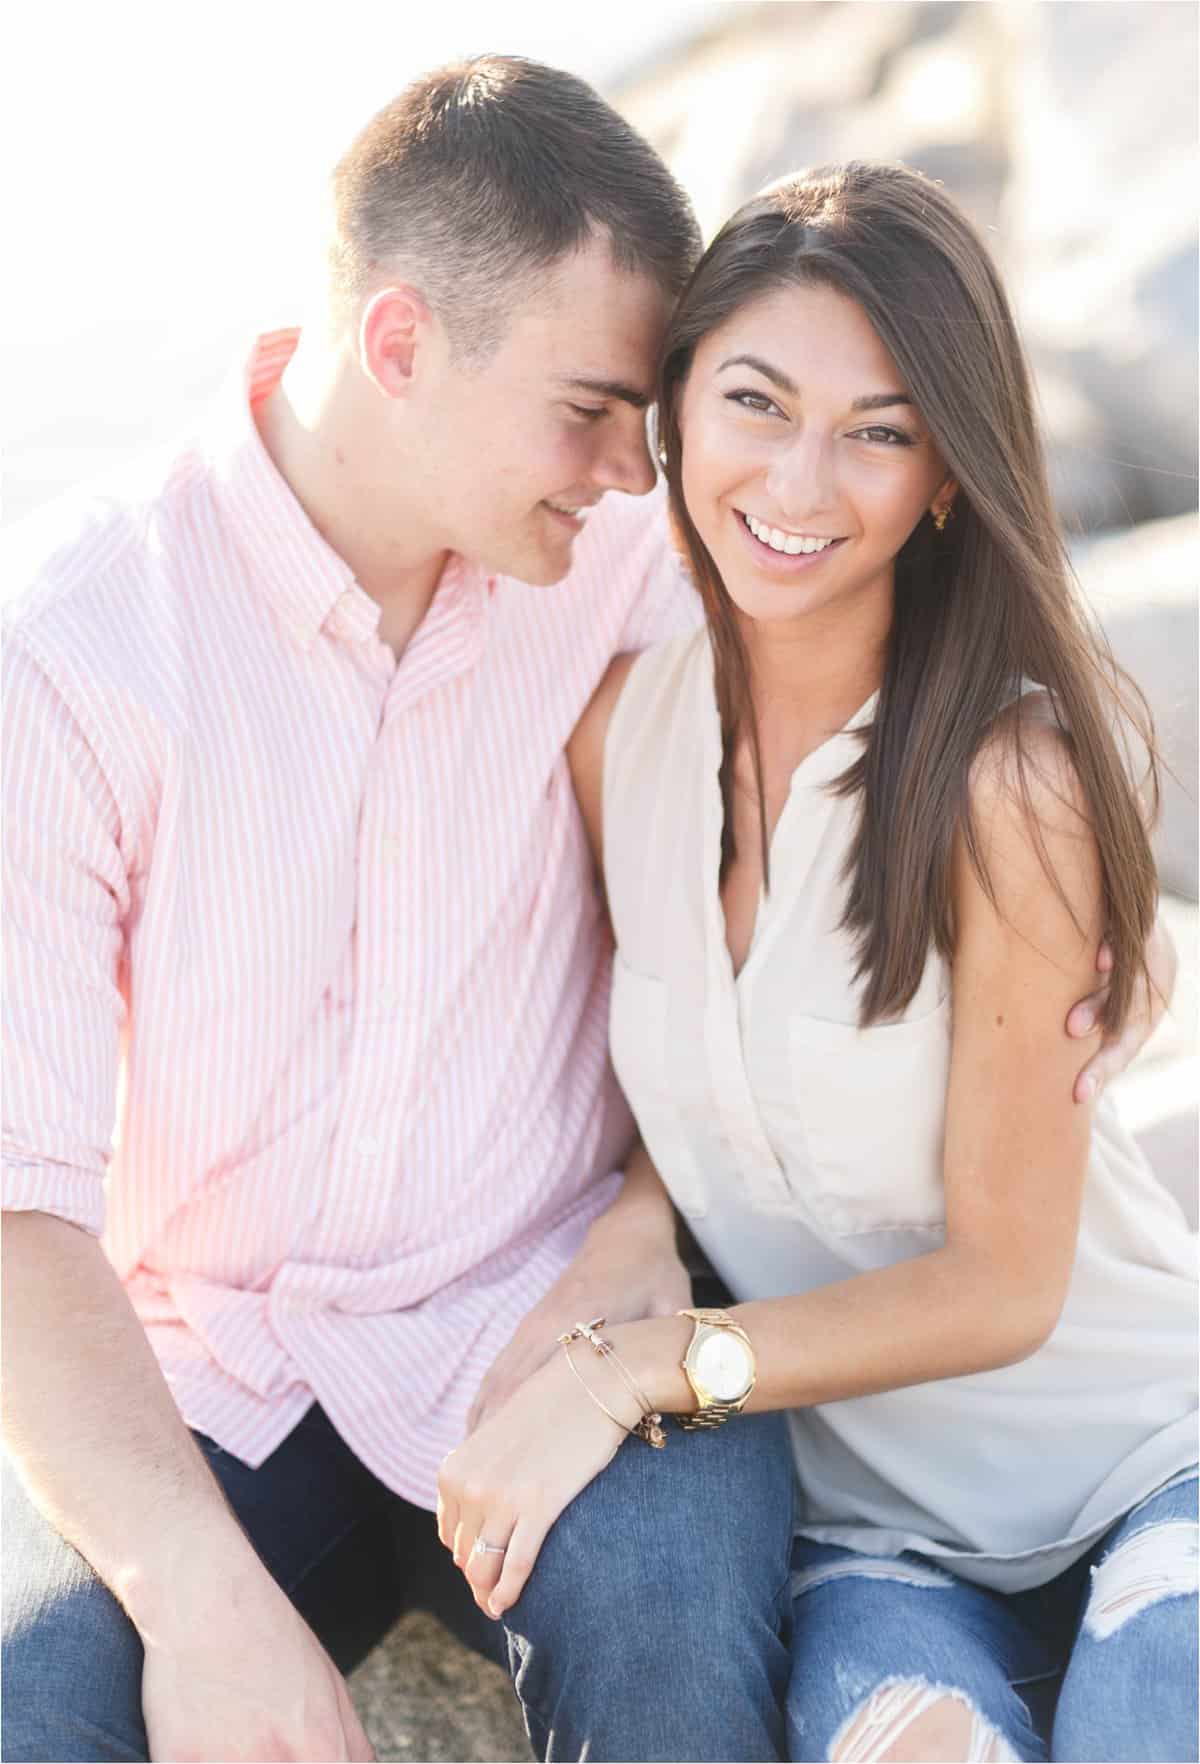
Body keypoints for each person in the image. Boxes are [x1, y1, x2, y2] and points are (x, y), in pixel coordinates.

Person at [0, 61, 1166, 1761]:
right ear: (398, 346)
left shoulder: (621, 553)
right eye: (591, 407)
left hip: (554, 1316)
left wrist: (1087, 909)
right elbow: (20, 1201)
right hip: (221, 1362)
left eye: (645, 414)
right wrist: (200, 1597)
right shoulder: (78, 649)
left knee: (673, 1629)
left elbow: (877, 618)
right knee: (37, 1704)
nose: (637, 464)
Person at [436, 163, 1198, 1764]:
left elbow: (1007, 1283)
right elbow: (701, 1066)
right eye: (757, 403)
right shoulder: (614, 744)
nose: (802, 478)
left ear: (943, 478)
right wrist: (641, 1217)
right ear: (676, 418)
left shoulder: (1008, 785)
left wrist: (645, 1370)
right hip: (878, 1543)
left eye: (879, 428)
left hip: (1149, 1465)